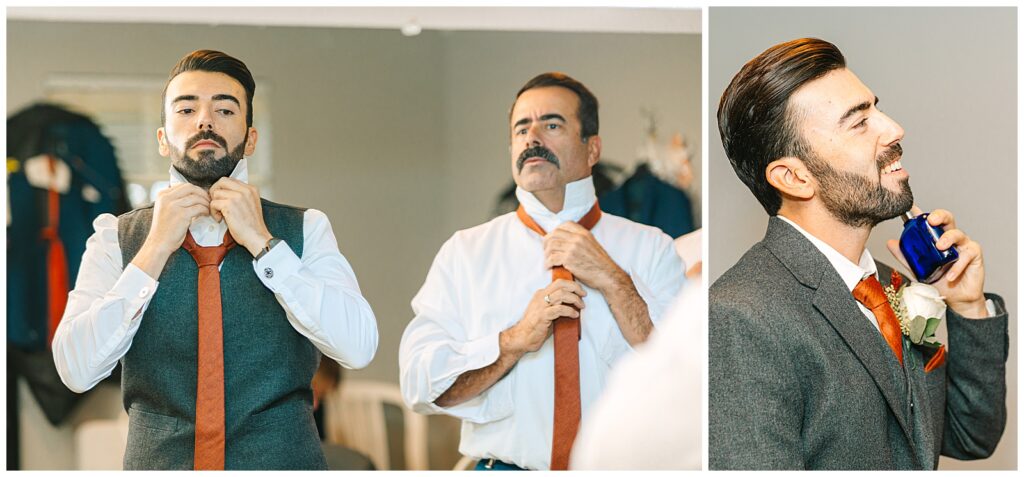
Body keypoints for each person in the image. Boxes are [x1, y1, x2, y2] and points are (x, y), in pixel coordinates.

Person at [51, 50, 379, 470]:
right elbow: (75, 370)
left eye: (224, 108)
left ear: (251, 137)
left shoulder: (306, 229)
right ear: (163, 138)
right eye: (187, 108)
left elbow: (358, 346)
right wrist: (153, 251)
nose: (205, 120)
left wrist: (264, 243)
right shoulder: (114, 238)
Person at [709, 38, 1007, 470]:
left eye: (876, 109)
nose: (894, 128)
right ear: (793, 176)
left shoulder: (893, 285)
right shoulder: (739, 315)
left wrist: (967, 304)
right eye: (859, 122)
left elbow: (969, 437)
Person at [398, 72, 685, 471]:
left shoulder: (652, 247)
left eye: (551, 124)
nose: (532, 138)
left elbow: (687, 376)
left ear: (593, 148)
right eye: (521, 128)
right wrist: (513, 341)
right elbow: (419, 386)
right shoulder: (465, 253)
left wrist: (613, 279)